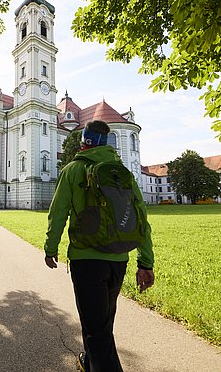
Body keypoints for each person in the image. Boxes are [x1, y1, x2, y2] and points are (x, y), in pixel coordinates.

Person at [44, 120, 154, 372]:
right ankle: (89, 361)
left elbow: (58, 213)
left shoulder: (72, 170)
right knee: (102, 323)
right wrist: (146, 261)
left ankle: (99, 363)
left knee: (96, 330)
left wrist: (51, 248)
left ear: (84, 140)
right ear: (107, 143)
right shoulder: (120, 172)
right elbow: (141, 218)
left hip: (86, 258)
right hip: (118, 258)